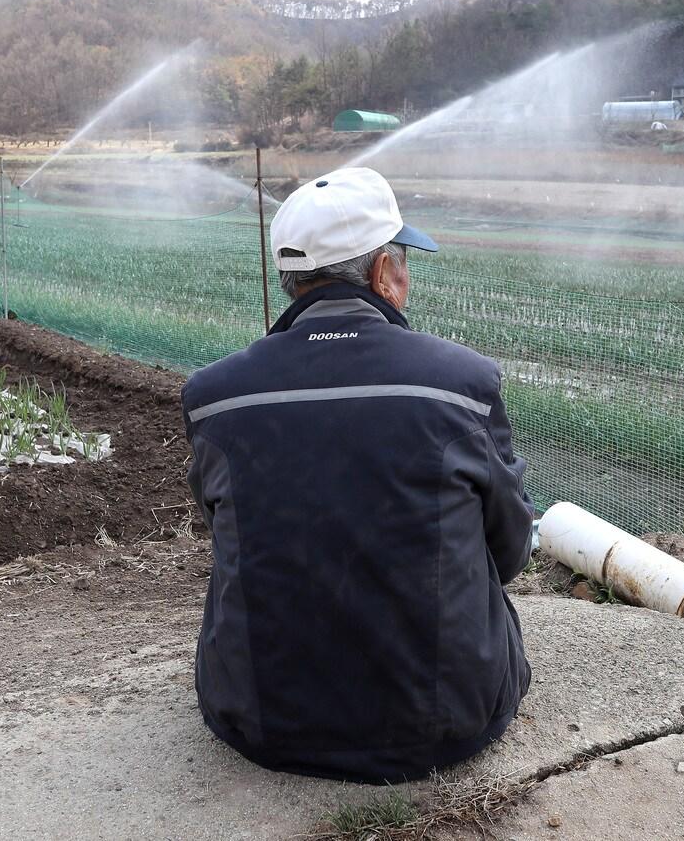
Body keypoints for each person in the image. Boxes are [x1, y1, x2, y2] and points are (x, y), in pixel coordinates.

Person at [182, 167, 535, 785]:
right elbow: (508, 549)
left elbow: (227, 533)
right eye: (402, 262)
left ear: (291, 281)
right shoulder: (463, 385)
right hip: (445, 725)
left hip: (259, 722)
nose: (406, 277)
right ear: (381, 276)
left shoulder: (214, 397)